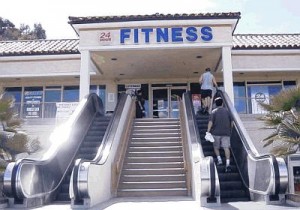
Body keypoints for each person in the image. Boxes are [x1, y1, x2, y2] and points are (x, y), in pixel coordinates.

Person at [207, 97, 233, 172]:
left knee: (216, 147)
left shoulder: (213, 112)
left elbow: (210, 122)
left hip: (216, 133)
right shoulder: (228, 111)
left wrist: (208, 131)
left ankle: (219, 160)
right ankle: (228, 164)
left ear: (215, 104)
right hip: (226, 133)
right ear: (222, 103)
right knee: (226, 148)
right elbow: (232, 122)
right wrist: (230, 130)